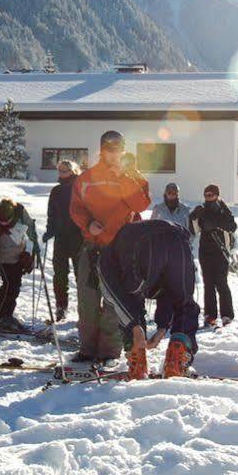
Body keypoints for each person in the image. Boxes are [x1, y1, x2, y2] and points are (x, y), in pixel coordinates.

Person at [69, 131, 151, 364]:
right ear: (102, 150)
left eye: (118, 150)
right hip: (92, 246)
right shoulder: (86, 178)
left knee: (113, 303)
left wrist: (123, 177)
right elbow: (76, 208)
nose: (113, 154)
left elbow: (141, 203)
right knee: (87, 300)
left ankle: (108, 352)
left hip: (121, 250)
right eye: (109, 150)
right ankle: (86, 350)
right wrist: (87, 223)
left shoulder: (133, 177)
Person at [98, 219, 202, 379]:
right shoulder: (117, 248)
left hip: (140, 244)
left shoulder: (105, 259)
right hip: (178, 241)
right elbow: (168, 290)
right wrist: (162, 327)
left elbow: (119, 298)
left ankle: (137, 363)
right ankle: (176, 362)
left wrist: (134, 327)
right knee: (184, 303)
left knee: (130, 297)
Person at [0, 198, 39, 332]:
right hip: (3, 259)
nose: (4, 223)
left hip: (18, 256)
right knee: (10, 286)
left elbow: (30, 227)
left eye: (6, 221)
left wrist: (34, 246)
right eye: (2, 220)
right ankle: (3, 315)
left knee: (12, 286)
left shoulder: (20, 212)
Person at [189, 184, 237, 327]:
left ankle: (227, 315)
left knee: (221, 283)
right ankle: (210, 315)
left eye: (211, 195)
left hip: (221, 251)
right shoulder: (202, 210)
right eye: (206, 195)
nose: (208, 198)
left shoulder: (223, 208)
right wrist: (193, 217)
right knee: (208, 284)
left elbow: (232, 226)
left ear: (217, 195)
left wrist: (215, 222)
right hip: (205, 252)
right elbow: (194, 230)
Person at [43, 160, 83, 322]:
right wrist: (49, 231)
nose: (61, 172)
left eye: (65, 170)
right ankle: (61, 308)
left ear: (73, 171)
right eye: (59, 170)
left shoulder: (80, 188)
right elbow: (51, 214)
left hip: (78, 237)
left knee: (81, 274)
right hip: (61, 238)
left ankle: (85, 309)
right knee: (60, 274)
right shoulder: (56, 191)